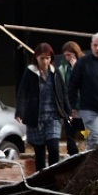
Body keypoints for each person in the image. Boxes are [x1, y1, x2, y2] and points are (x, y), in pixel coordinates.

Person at [15, 43, 71, 171]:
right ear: (36, 58)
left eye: (47, 58)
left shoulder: (55, 72)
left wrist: (68, 111)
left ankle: (54, 174)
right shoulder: (30, 73)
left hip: (53, 116)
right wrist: (20, 112)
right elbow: (22, 93)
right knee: (39, 151)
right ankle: (42, 178)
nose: (45, 61)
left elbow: (63, 93)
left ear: (51, 58)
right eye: (42, 58)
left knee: (53, 146)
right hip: (36, 117)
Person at [67, 32, 98, 150]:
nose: (97, 48)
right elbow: (73, 84)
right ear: (91, 45)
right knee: (97, 139)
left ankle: (90, 162)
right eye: (95, 45)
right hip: (89, 108)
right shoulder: (83, 62)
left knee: (92, 141)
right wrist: (72, 105)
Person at [58, 41, 84, 156]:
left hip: (83, 104)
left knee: (85, 131)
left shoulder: (83, 64)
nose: (67, 57)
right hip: (70, 105)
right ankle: (73, 154)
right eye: (65, 55)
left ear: (75, 53)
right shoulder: (64, 67)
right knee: (70, 133)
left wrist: (75, 68)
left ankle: (88, 150)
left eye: (69, 55)